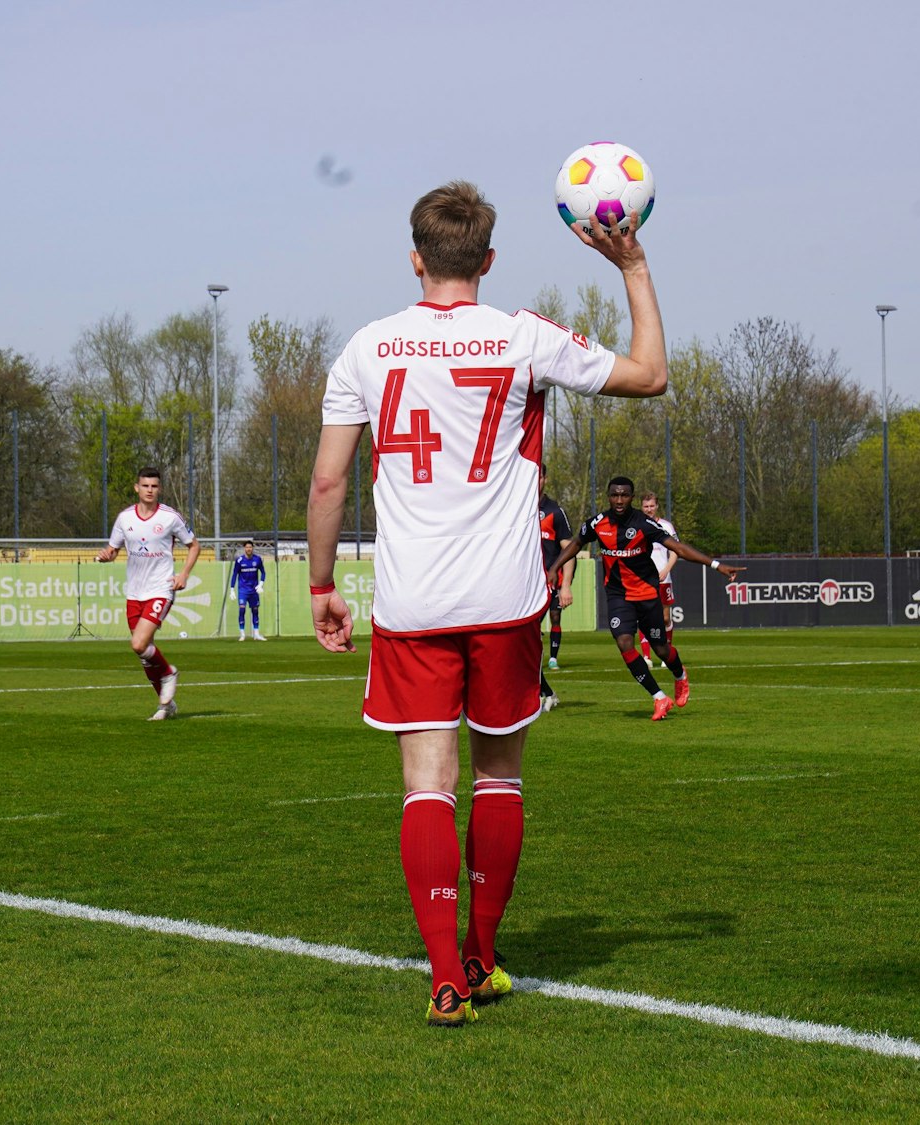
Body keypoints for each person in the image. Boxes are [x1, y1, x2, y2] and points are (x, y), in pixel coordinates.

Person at [307, 181, 669, 1027]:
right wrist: (635, 266)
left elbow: (328, 480)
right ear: (489, 261)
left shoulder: (367, 347)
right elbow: (650, 375)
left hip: (413, 600)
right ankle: (480, 953)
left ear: (415, 258)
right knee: (499, 772)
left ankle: (443, 978)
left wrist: (323, 585)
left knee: (426, 782)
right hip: (507, 596)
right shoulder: (520, 336)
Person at [551, 477, 739, 722]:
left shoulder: (644, 523)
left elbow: (678, 548)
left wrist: (716, 565)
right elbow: (576, 543)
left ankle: (680, 675)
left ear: (631, 496)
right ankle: (659, 697)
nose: (619, 500)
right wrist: (555, 566)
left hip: (647, 594)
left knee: (661, 649)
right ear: (608, 496)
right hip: (618, 595)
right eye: (615, 495)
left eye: (625, 495)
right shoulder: (598, 523)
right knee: (625, 643)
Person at [96, 467, 200, 720]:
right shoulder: (124, 519)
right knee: (144, 654)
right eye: (145, 486)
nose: (150, 490)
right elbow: (113, 550)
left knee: (139, 644)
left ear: (159, 489)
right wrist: (106, 556)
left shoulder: (170, 517)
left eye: (154, 486)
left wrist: (184, 574)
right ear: (137, 488)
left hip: (160, 588)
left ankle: (169, 673)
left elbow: (194, 545)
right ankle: (166, 706)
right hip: (134, 592)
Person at [538, 465, 576, 678]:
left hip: (549, 582)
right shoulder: (513, 508)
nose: (536, 480)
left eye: (540, 476)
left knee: (554, 617)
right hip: (521, 583)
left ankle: (552, 658)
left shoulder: (554, 512)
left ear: (545, 478)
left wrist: (566, 586)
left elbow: (569, 549)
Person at [637, 492, 679, 660]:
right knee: (644, 617)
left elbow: (675, 551)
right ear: (641, 507)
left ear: (657, 506)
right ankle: (647, 657)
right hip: (643, 580)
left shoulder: (666, 526)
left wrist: (666, 569)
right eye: (646, 506)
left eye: (651, 506)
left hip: (663, 579)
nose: (649, 509)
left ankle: (667, 653)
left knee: (665, 618)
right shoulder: (637, 525)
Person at [230, 540, 267, 641]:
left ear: (252, 548)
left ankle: (256, 634)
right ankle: (242, 634)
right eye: (247, 547)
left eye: (250, 547)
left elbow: (263, 573)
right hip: (243, 590)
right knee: (242, 610)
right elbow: (234, 575)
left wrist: (261, 584)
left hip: (254, 590)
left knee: (255, 611)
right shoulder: (239, 560)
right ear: (244, 549)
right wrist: (232, 589)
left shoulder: (258, 559)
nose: (248, 549)